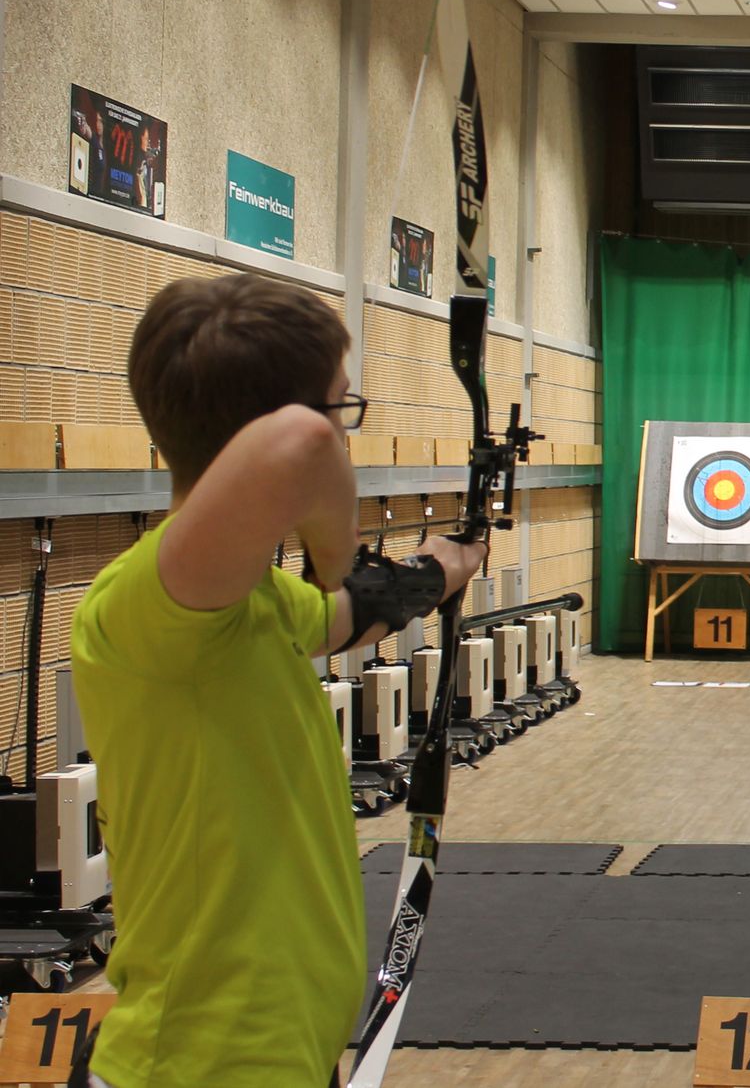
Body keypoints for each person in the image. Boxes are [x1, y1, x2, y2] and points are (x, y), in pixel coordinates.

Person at [70, 273, 484, 1088]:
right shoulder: (148, 603)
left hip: (272, 1059)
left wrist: (443, 567)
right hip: (195, 1067)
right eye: (343, 409)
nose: (343, 437)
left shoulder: (247, 604)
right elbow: (299, 444)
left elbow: (348, 617)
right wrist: (335, 555)